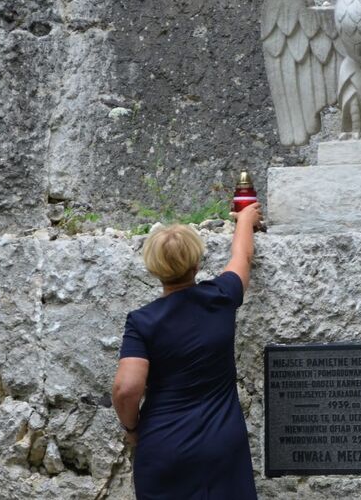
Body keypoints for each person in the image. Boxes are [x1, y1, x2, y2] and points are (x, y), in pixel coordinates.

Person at [112, 203, 263, 500]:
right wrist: (245, 219)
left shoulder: (142, 322)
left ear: (154, 268)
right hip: (222, 443)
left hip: (163, 445)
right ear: (195, 263)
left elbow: (126, 388)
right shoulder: (221, 297)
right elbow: (242, 256)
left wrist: (131, 428)